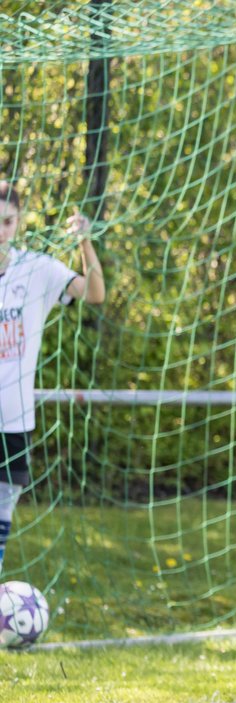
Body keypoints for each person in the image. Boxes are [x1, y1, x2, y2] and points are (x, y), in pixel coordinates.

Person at [0, 182, 106, 572]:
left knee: (1, 522)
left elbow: (94, 293)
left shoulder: (36, 270)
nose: (0, 231)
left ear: (18, 222)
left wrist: (85, 241)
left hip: (14, 420)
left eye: (7, 222)